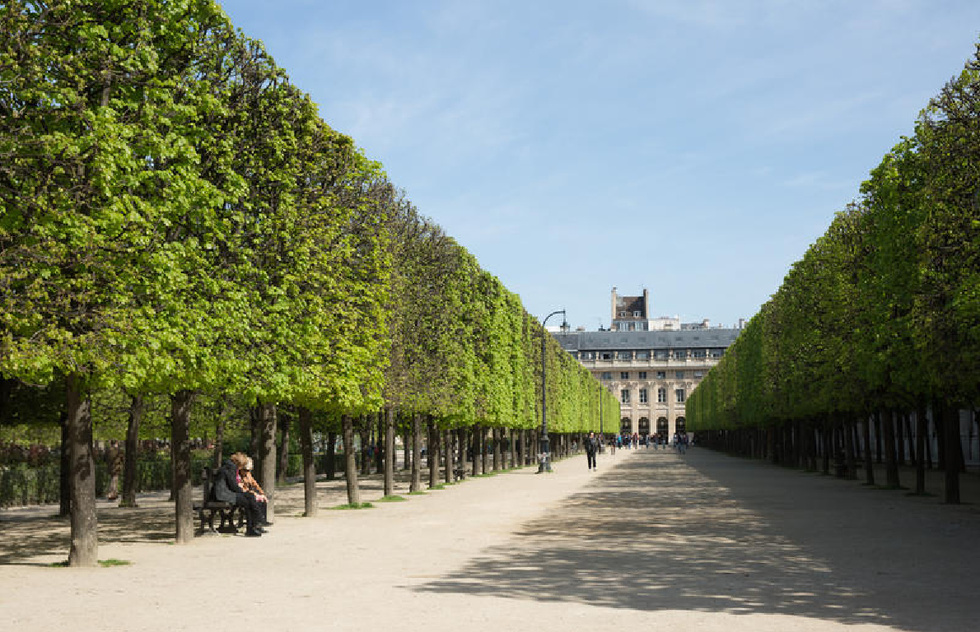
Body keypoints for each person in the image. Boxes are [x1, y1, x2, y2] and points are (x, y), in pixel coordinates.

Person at [212, 455, 264, 537]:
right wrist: (243, 493)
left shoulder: (229, 467)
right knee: (248, 498)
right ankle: (254, 524)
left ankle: (254, 525)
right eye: (241, 465)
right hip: (223, 495)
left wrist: (244, 493)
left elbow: (233, 485)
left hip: (225, 493)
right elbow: (233, 485)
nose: (241, 468)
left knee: (249, 497)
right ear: (238, 463)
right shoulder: (230, 468)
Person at [239, 456, 272, 527]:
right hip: (246, 493)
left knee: (263, 500)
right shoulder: (239, 477)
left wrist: (262, 493)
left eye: (248, 470)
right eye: (245, 470)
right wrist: (255, 494)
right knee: (255, 501)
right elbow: (243, 488)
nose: (246, 472)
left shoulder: (248, 475)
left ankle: (262, 520)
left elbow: (254, 483)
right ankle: (258, 521)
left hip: (250, 492)